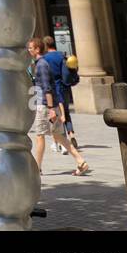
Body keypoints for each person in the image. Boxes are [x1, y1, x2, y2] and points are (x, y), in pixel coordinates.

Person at [28, 38, 90, 176]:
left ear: (37, 49)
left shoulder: (41, 65)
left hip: (45, 105)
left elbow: (47, 87)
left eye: (31, 48)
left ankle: (36, 168)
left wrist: (50, 109)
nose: (29, 50)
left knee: (40, 136)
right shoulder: (41, 63)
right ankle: (80, 161)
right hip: (50, 104)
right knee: (59, 136)